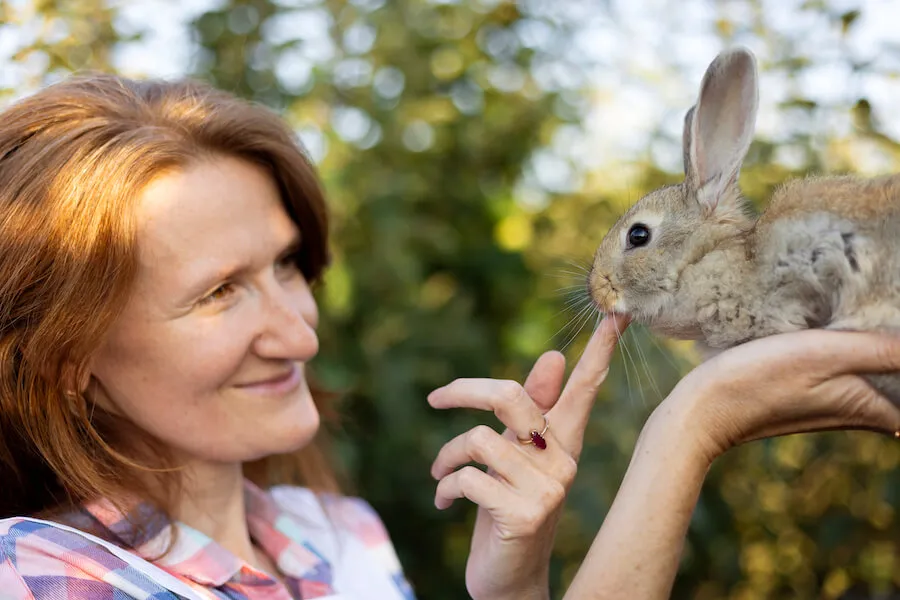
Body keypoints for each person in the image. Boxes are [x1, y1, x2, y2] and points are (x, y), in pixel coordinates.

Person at [0, 74, 899, 600]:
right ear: (69, 359)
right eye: (218, 292)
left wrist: (511, 584)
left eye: (286, 268)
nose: (300, 331)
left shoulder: (337, 536)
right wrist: (693, 424)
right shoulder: (42, 576)